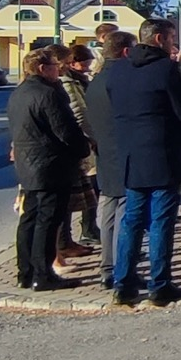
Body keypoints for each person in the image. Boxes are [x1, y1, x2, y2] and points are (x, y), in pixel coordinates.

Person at [106, 18, 181, 306]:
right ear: (159, 39)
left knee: (132, 220)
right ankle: (159, 283)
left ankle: (123, 283)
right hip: (163, 153)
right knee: (161, 221)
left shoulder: (118, 69)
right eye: (172, 38)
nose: (174, 44)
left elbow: (115, 107)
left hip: (130, 155)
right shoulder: (167, 69)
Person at [8, 47, 91, 291]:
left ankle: (25, 271)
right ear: (43, 69)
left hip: (28, 164)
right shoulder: (49, 93)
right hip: (51, 165)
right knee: (48, 220)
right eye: (56, 65)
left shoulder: (19, 92)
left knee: (29, 219)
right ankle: (43, 274)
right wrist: (82, 149)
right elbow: (65, 130)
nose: (60, 69)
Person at [81, 31, 132, 287]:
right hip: (124, 152)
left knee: (109, 210)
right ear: (125, 52)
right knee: (125, 212)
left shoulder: (97, 80)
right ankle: (121, 271)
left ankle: (107, 267)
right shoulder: (124, 79)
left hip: (104, 152)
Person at [52, 44, 101, 263]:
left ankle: (80, 233)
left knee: (86, 190)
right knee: (70, 197)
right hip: (80, 143)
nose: (87, 66)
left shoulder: (78, 80)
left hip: (85, 141)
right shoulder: (67, 82)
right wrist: (91, 138)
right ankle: (67, 241)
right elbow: (79, 112)